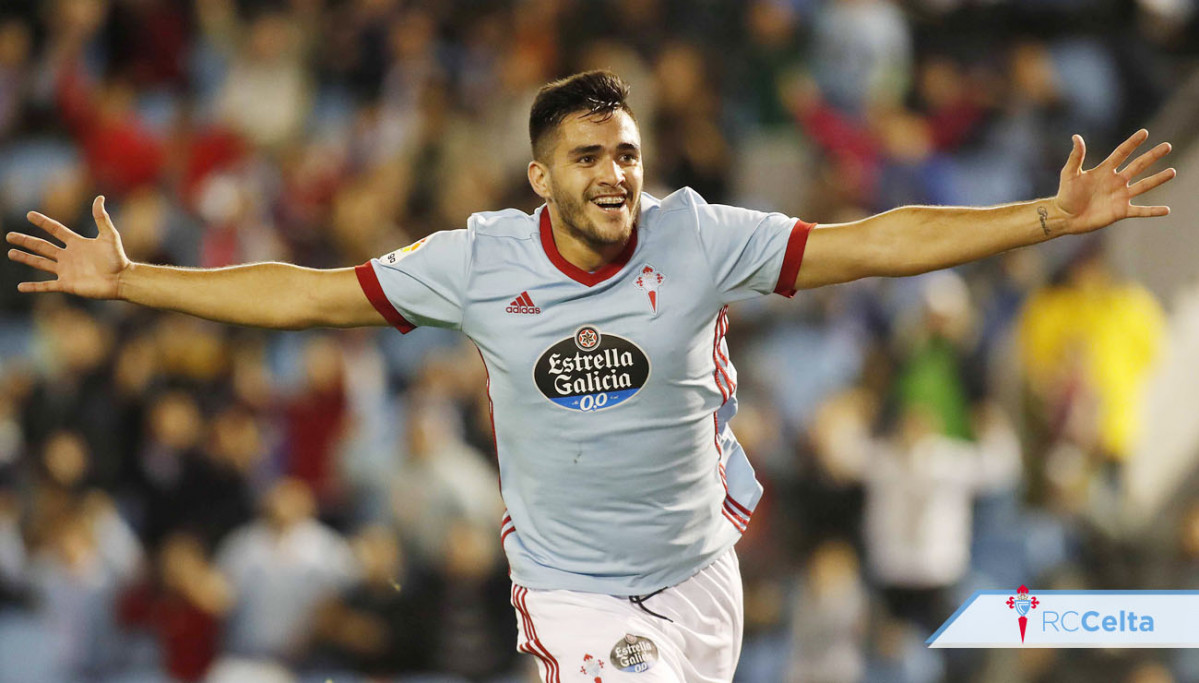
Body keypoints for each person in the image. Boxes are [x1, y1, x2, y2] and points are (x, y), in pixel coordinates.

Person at [4, 70, 1176, 682]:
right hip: (572, 580)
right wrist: (135, 281)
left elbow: (878, 238)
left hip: (698, 562)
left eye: (625, 150)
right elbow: (304, 290)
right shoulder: (475, 259)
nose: (615, 170)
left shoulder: (698, 234)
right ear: (537, 175)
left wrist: (1039, 218)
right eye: (587, 154)